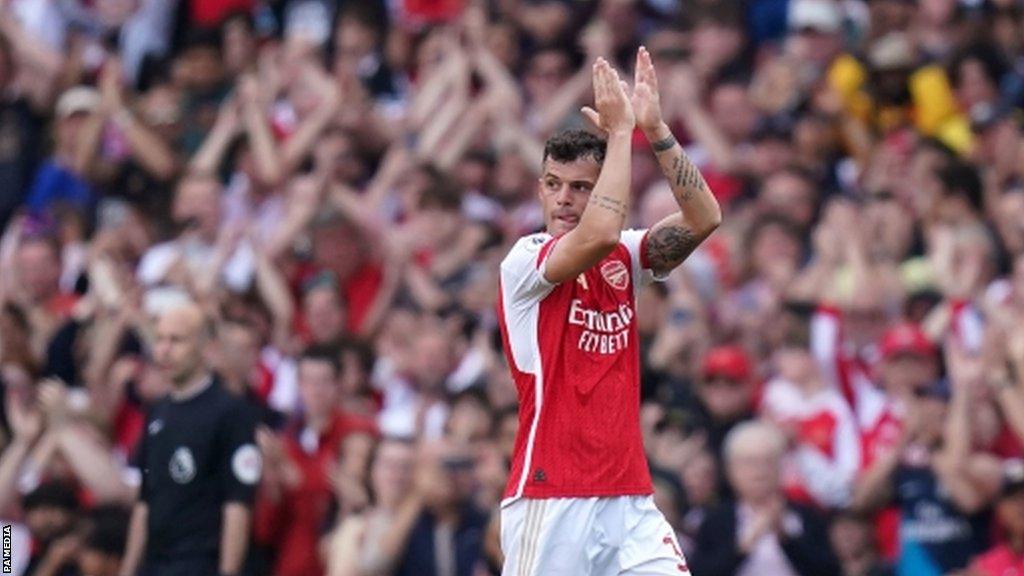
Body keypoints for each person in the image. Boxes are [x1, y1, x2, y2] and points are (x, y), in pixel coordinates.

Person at [497, 49, 721, 575]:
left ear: (604, 190)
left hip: (629, 501)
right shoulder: (525, 262)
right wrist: (620, 135)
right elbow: (596, 234)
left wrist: (656, 130)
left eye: (580, 188)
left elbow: (705, 216)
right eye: (553, 185)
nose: (563, 200)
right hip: (552, 498)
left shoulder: (628, 255)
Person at [120, 302, 262, 576]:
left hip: (199, 564)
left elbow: (237, 504)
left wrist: (228, 571)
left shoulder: (231, 412)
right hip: (155, 564)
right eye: (160, 339)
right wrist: (128, 569)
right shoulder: (157, 410)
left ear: (204, 347)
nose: (164, 350)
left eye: (176, 340)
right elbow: (145, 499)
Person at [689, 420, 841, 576]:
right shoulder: (715, 521)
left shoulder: (808, 516)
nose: (760, 471)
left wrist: (785, 537)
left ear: (782, 466)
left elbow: (829, 570)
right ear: (731, 470)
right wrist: (744, 546)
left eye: (768, 461)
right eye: (750, 463)